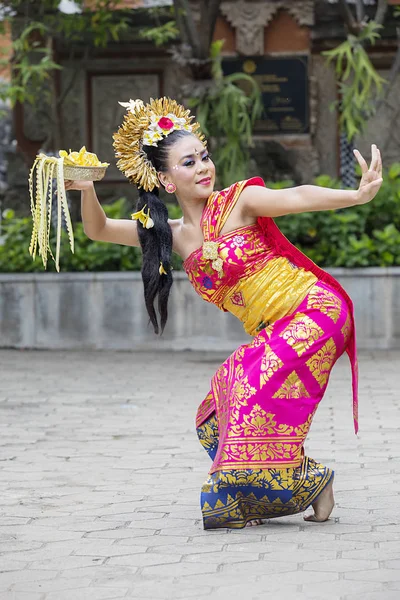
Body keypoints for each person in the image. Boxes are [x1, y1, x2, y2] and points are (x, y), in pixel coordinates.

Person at [65, 97, 383, 529]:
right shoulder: (171, 236)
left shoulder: (239, 202)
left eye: (204, 156)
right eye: (189, 161)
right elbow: (97, 229)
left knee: (253, 384)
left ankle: (252, 497)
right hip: (276, 328)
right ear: (165, 179)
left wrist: (356, 195)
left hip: (316, 309)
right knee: (222, 405)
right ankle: (310, 483)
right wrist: (86, 190)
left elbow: (297, 195)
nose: (203, 166)